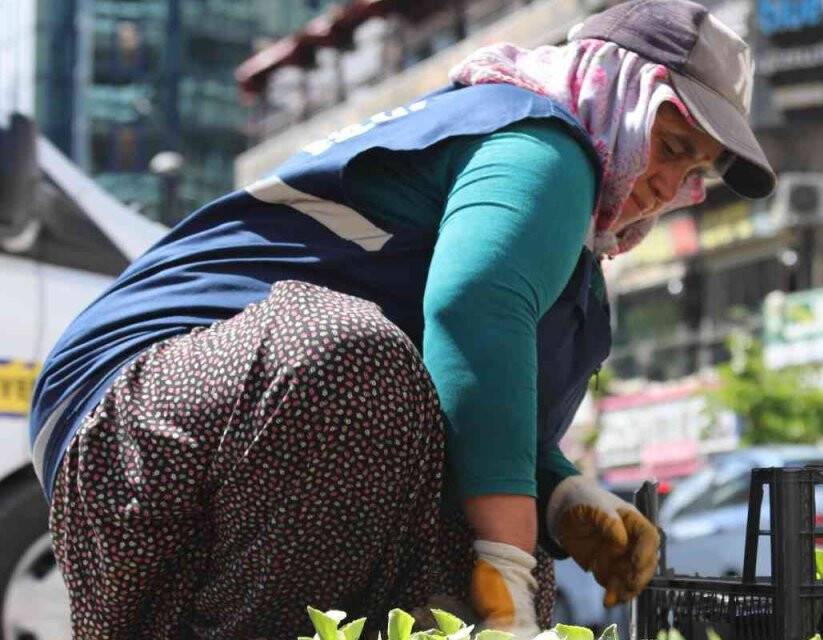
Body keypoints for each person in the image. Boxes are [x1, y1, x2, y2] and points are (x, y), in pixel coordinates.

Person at [29, 0, 775, 637]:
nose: (668, 185)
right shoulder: (542, 146)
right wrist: (506, 570)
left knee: (492, 514)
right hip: (133, 420)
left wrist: (559, 492)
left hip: (169, 464)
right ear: (614, 91)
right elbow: (472, 311)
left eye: (694, 172)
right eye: (672, 145)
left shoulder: (566, 249)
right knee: (366, 379)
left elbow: (462, 394)